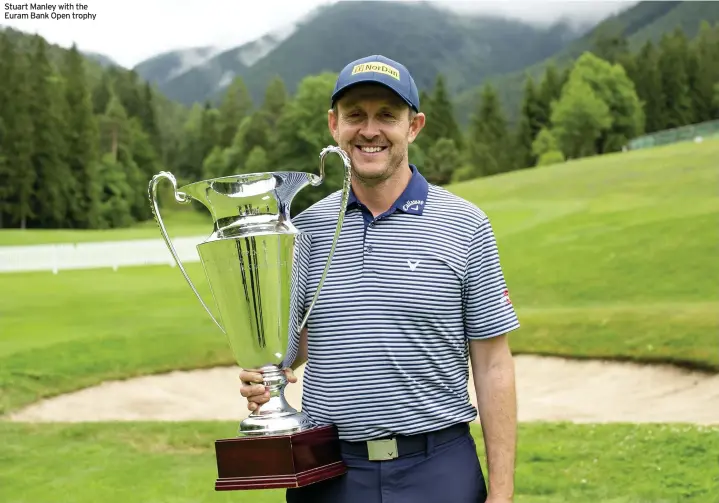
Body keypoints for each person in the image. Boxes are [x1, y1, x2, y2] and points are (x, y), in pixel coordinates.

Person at [239, 54, 520, 503]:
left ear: (414, 126)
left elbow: (493, 364)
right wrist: (267, 374)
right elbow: (295, 345)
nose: (369, 130)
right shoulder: (303, 230)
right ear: (334, 125)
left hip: (437, 469)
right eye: (355, 116)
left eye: (387, 115)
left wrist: (502, 493)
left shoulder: (466, 225)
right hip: (328, 472)